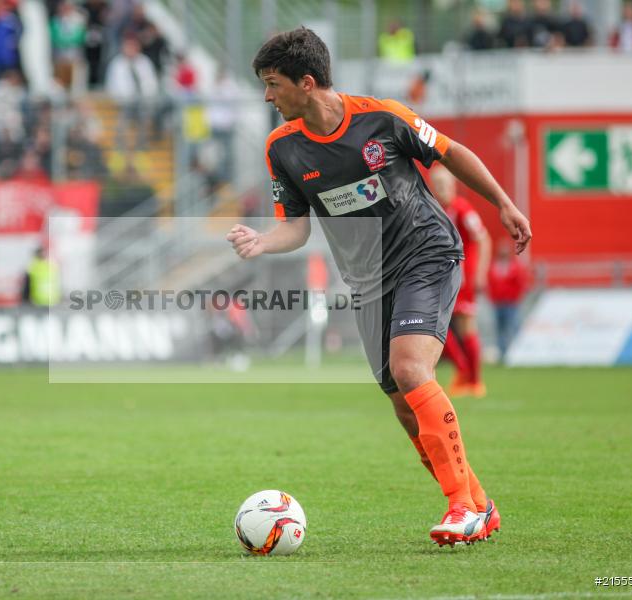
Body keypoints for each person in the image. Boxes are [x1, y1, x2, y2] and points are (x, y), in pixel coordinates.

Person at [227, 28, 531, 546]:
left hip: (426, 252)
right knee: (401, 402)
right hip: (369, 281)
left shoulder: (383, 117)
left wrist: (502, 202)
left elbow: (452, 153)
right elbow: (296, 228)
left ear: (307, 82)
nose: (267, 96)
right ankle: (479, 503)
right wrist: (262, 241)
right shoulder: (282, 149)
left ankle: (460, 507)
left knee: (410, 369)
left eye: (273, 84)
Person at [430, 166, 491, 398]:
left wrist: (481, 273)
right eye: (436, 184)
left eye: (444, 184)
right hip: (442, 277)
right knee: (438, 325)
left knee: (465, 325)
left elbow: (483, 239)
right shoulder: (435, 210)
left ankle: (474, 381)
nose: (440, 189)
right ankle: (464, 373)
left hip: (462, 277)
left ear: (453, 185)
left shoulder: (463, 209)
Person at [487, 238, 531, 359]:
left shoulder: (515, 266)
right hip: (497, 303)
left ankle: (514, 353)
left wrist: (516, 297)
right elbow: (489, 284)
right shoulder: (494, 266)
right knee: (499, 330)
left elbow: (521, 284)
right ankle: (503, 354)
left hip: (511, 303)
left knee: (512, 328)